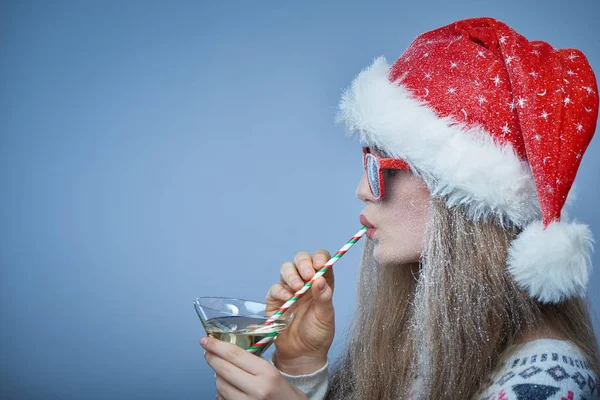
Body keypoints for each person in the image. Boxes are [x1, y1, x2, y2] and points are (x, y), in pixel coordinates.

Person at [200, 17, 600, 399]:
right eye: (365, 161)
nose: (362, 190)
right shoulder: (428, 340)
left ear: (458, 194)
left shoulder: (549, 380)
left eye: (383, 166)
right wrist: (302, 366)